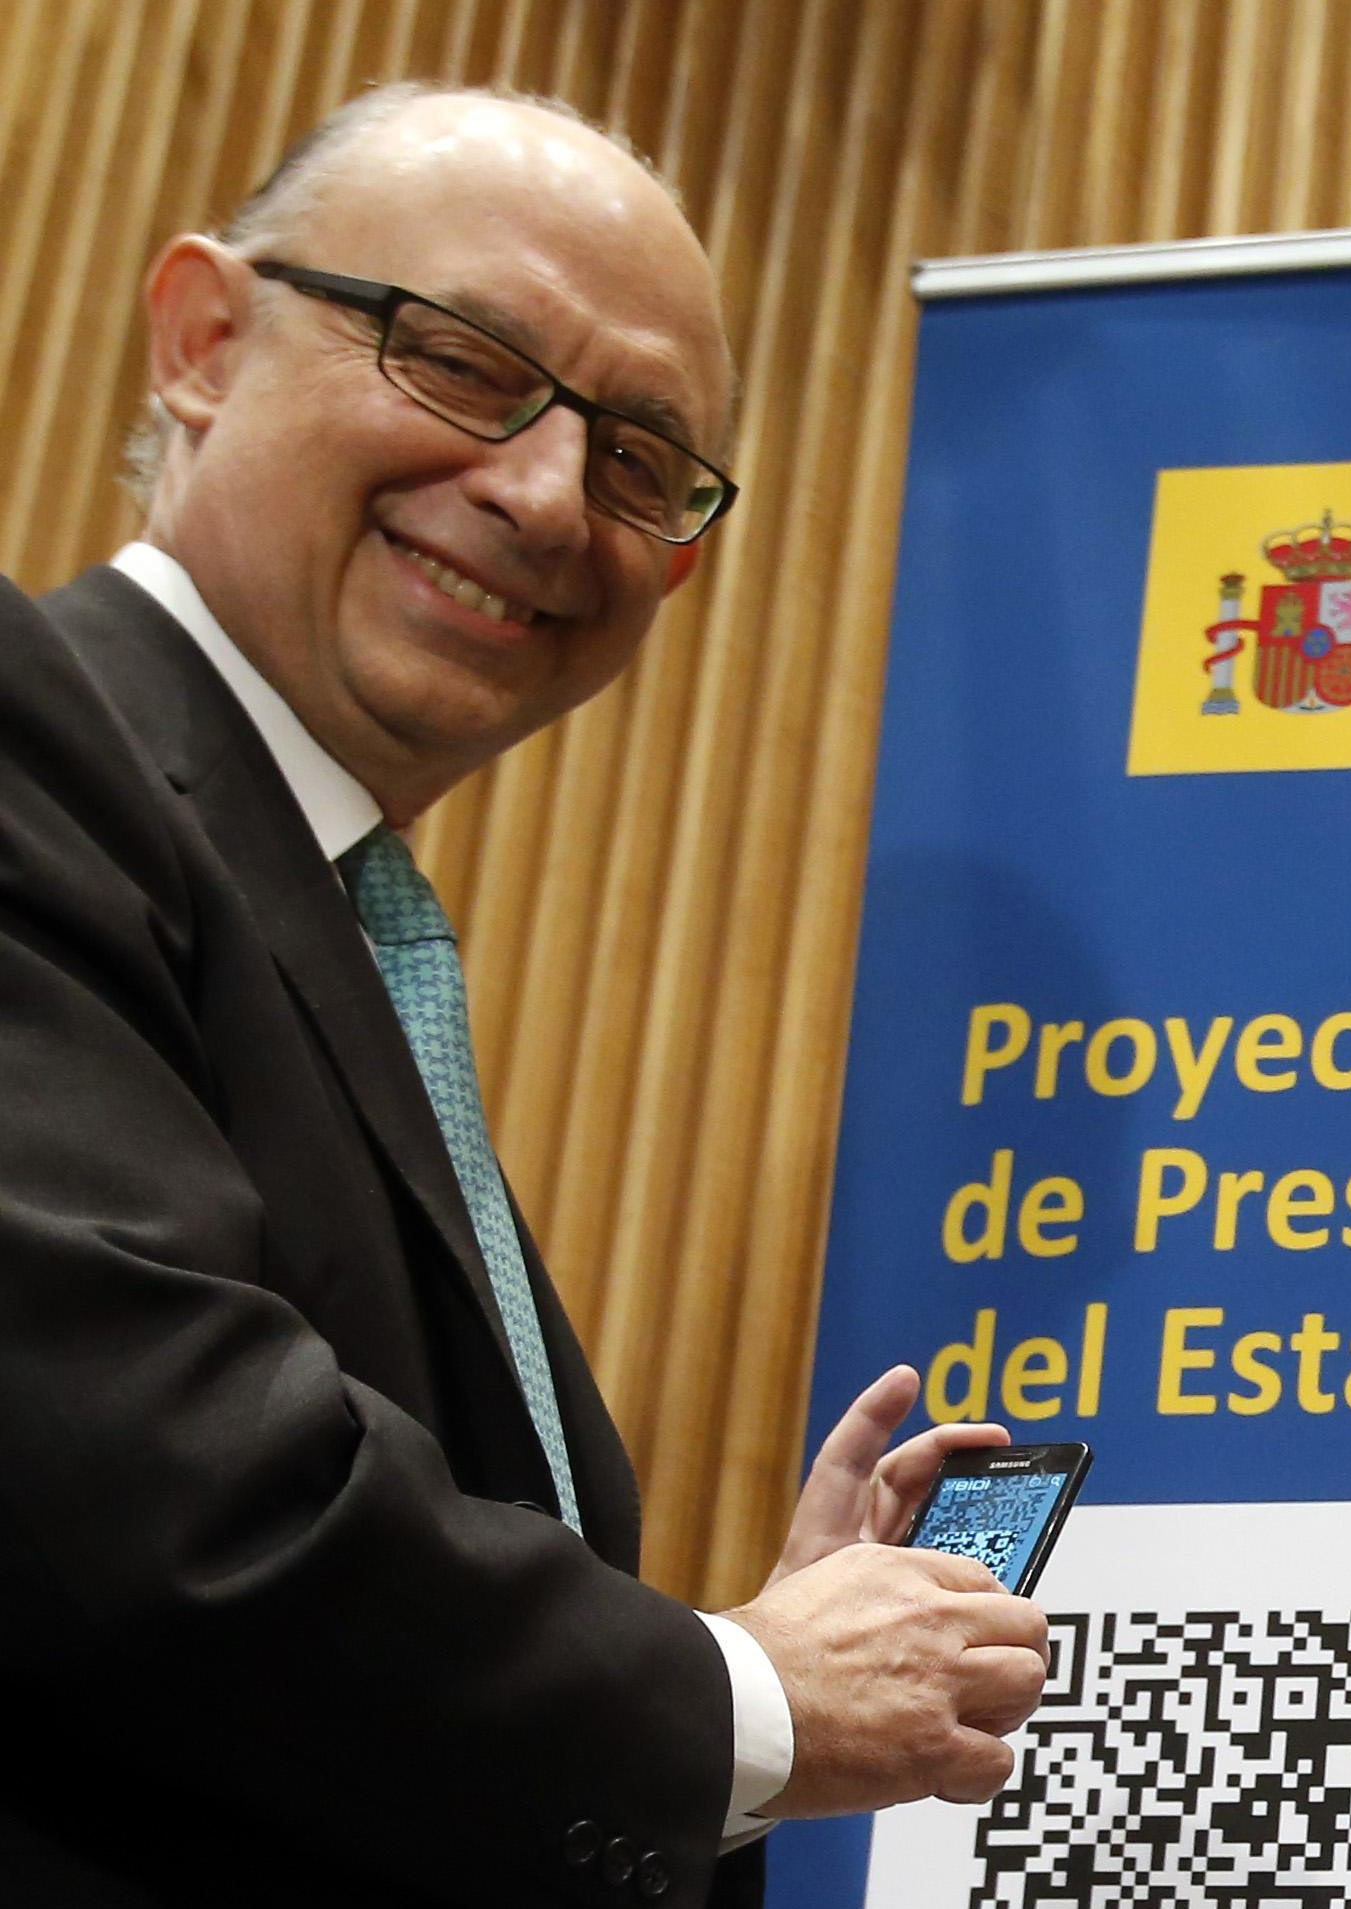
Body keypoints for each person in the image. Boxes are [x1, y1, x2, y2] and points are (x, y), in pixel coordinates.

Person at [0, 83, 1047, 1906]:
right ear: (203, 342)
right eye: (465, 362)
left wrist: (727, 1690)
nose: (549, 494)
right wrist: (745, 1695)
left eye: (640, 457)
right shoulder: (34, 742)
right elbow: (146, 1491)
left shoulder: (335, 919)